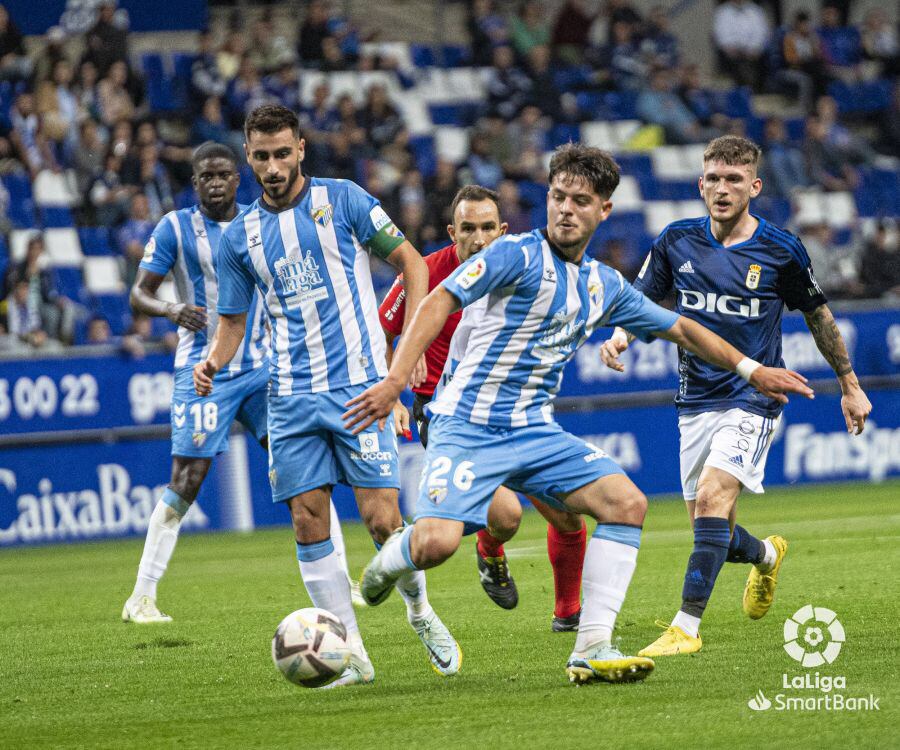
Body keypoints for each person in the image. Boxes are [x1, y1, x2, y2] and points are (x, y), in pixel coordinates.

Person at [344, 143, 813, 684]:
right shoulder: (513, 255)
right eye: (558, 197)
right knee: (435, 545)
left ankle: (591, 647)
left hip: (535, 431)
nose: (566, 209)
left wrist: (753, 371)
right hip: (467, 424)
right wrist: (397, 380)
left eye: (581, 200)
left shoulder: (602, 284)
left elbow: (680, 328)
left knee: (626, 503)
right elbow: (438, 302)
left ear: (603, 210)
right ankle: (385, 565)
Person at [192, 105, 460, 687]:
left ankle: (419, 610)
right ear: (248, 158)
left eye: (281, 153)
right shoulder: (240, 237)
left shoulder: (344, 200)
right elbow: (234, 322)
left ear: (301, 149)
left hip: (360, 388)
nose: (271, 166)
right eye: (260, 156)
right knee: (308, 521)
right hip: (289, 397)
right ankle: (352, 653)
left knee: (384, 521)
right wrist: (213, 360)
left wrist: (404, 358)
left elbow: (413, 265)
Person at [600, 135, 872, 658]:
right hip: (694, 398)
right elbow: (641, 299)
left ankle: (685, 628)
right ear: (700, 183)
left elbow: (818, 316)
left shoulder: (781, 249)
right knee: (713, 532)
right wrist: (620, 335)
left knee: (711, 498)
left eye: (733, 180)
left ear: (754, 186)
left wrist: (850, 384)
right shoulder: (676, 240)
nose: (722, 189)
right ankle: (767, 555)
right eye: (714, 179)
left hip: (754, 396)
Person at [121, 142, 358, 624]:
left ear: (238, 178)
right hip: (204, 371)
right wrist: (171, 308)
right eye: (205, 176)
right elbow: (138, 294)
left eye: (223, 175)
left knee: (308, 473)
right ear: (195, 183)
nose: (215, 183)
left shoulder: (259, 223)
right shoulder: (175, 228)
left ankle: (342, 576)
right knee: (187, 480)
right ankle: (141, 596)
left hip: (264, 372)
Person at [378, 185, 587, 630]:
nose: (478, 238)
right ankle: (469, 542)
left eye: (488, 228)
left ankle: (569, 618)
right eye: (468, 228)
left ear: (503, 230)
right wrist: (394, 391)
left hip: (516, 415)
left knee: (568, 518)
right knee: (507, 514)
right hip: (448, 416)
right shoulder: (426, 273)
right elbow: (379, 332)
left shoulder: (524, 272)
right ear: (452, 232)